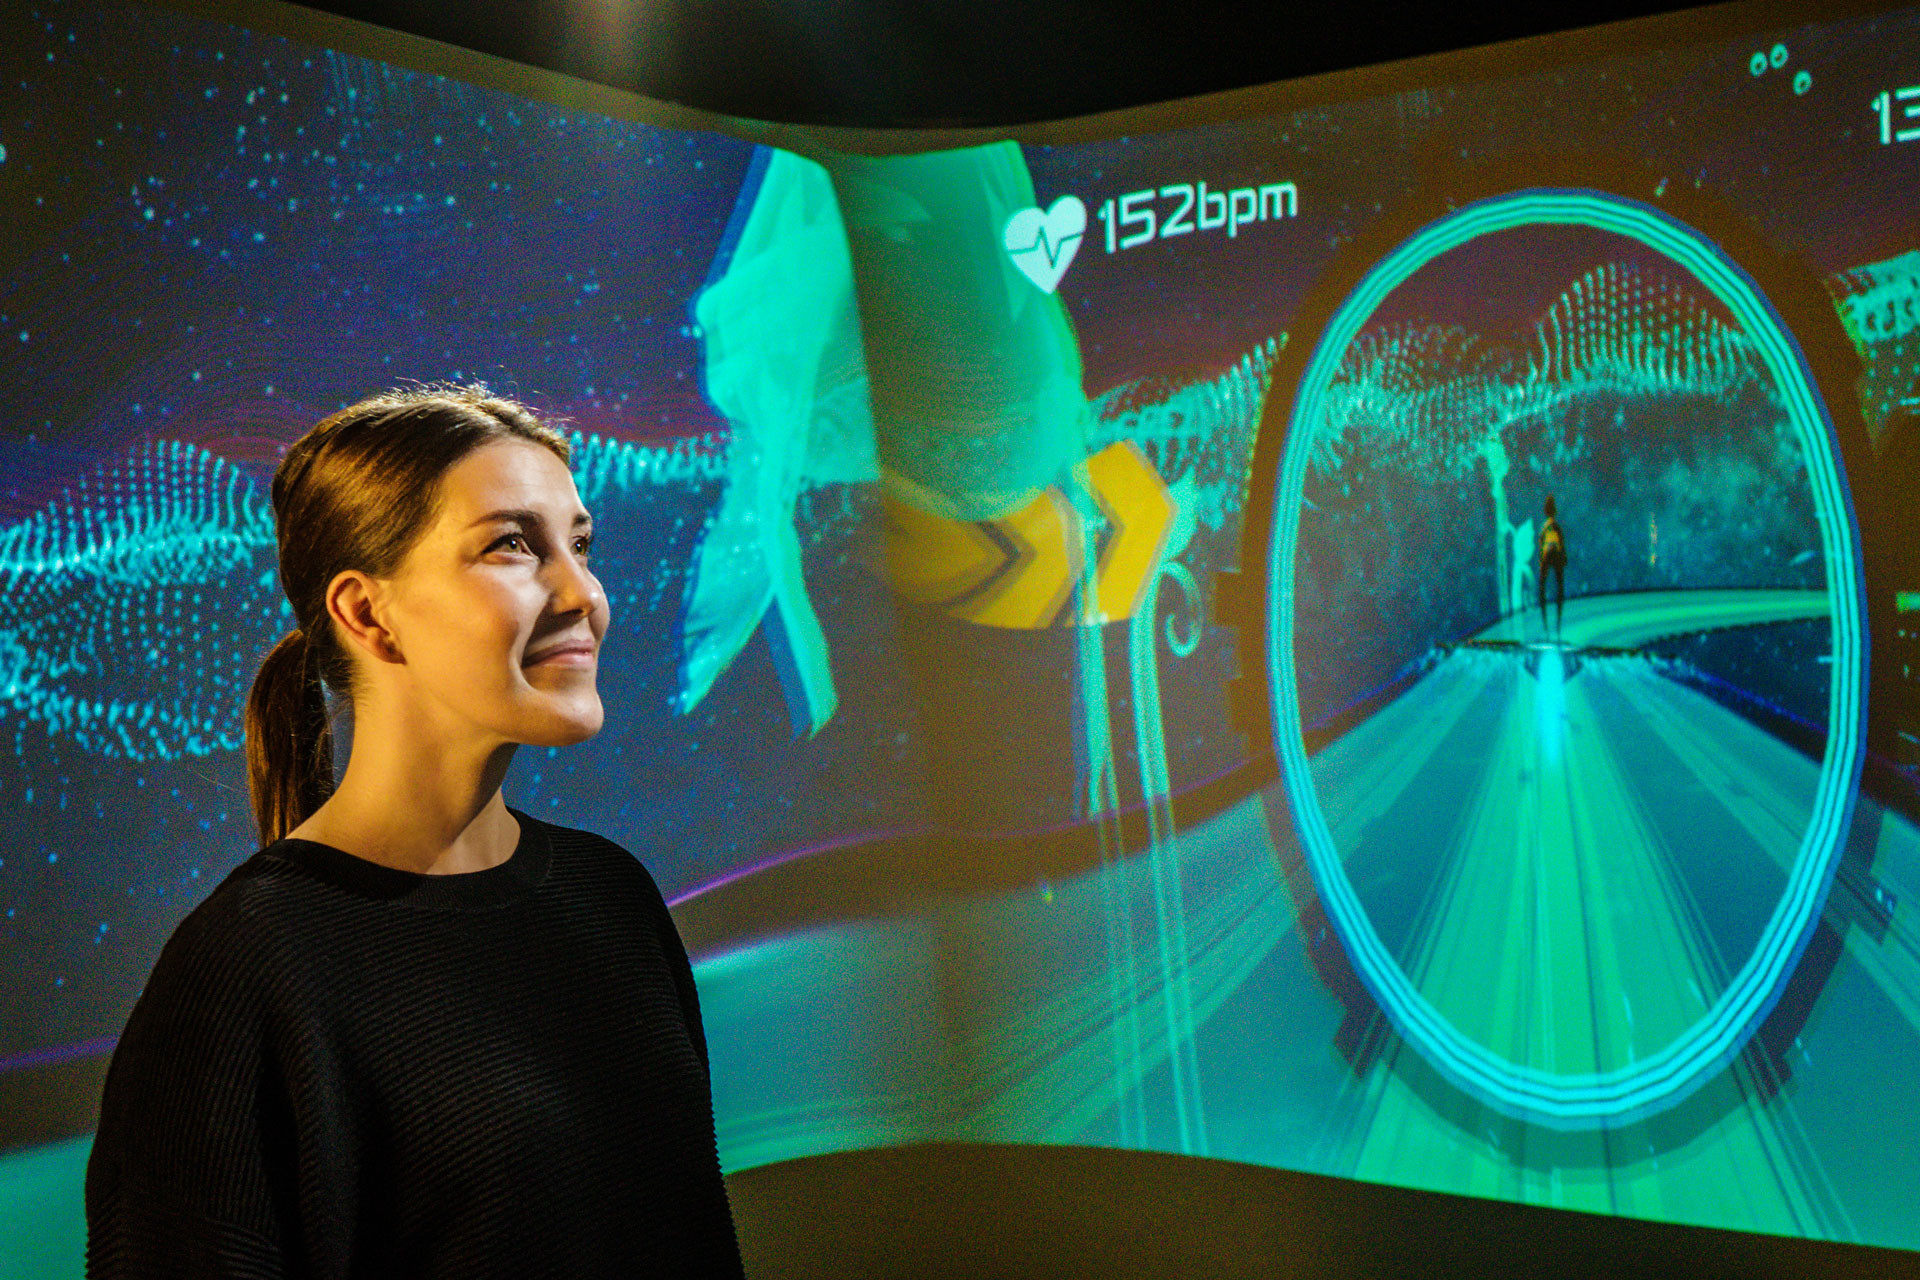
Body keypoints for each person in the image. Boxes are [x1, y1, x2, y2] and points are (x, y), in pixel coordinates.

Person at [84, 385, 747, 1278]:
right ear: (367, 614)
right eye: (512, 545)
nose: (584, 593)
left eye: (580, 545)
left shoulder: (611, 895)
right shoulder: (246, 968)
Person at [1538, 494, 1568, 638]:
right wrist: (1563, 557)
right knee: (1558, 587)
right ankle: (1556, 624)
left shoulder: (1545, 527)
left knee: (1543, 588)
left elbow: (1541, 545)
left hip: (1547, 555)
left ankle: (1548, 625)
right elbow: (1561, 545)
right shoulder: (1554, 526)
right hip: (1554, 554)